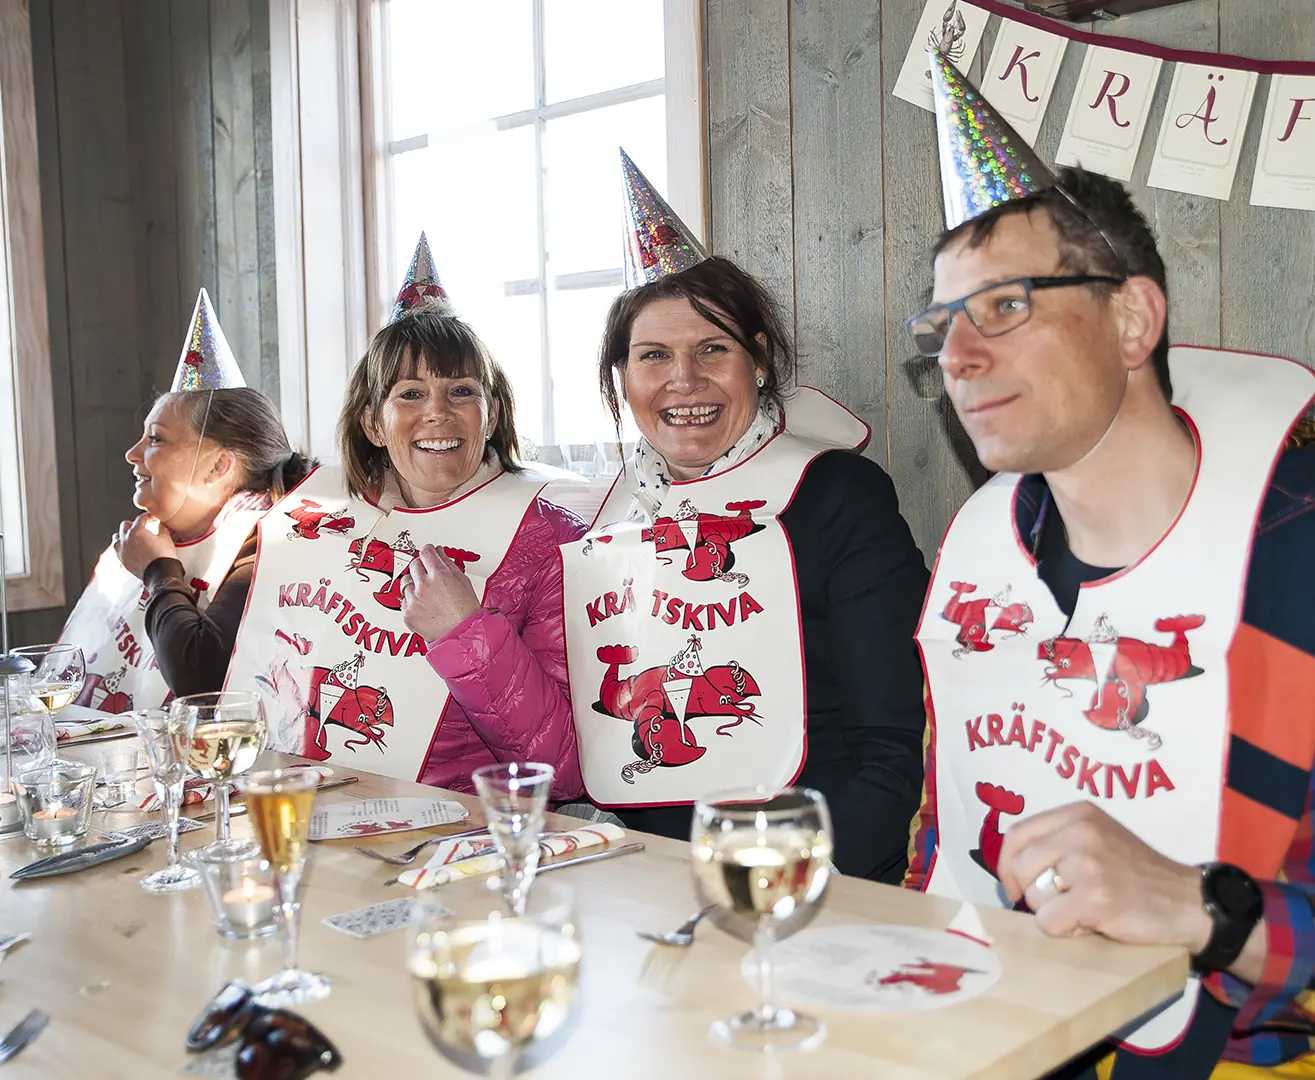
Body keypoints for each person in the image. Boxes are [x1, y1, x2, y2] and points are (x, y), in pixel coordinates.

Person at [904, 51, 1315, 1076]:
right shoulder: (974, 552)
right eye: (941, 327)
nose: (956, 358)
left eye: (1005, 306)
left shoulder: (1296, 553)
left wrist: (1202, 909)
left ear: (1130, 318)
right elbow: (939, 838)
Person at [557, 151, 929, 883]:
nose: (682, 380)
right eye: (652, 355)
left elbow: (893, 754)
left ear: (758, 360)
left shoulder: (838, 495)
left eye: (712, 350)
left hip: (811, 871)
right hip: (647, 875)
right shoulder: (605, 519)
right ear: (622, 380)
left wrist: (775, 886)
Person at [225, 235, 599, 796]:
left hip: (451, 826)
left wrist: (466, 632)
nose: (438, 414)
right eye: (410, 393)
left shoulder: (552, 541)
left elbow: (566, 772)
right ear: (373, 424)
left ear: (491, 415)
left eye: (462, 391)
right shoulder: (310, 517)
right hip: (304, 805)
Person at [59, 289, 311, 712]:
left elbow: (202, 678)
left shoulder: (270, 544)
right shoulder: (149, 536)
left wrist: (159, 571)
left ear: (218, 467)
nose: (132, 454)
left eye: (155, 438)